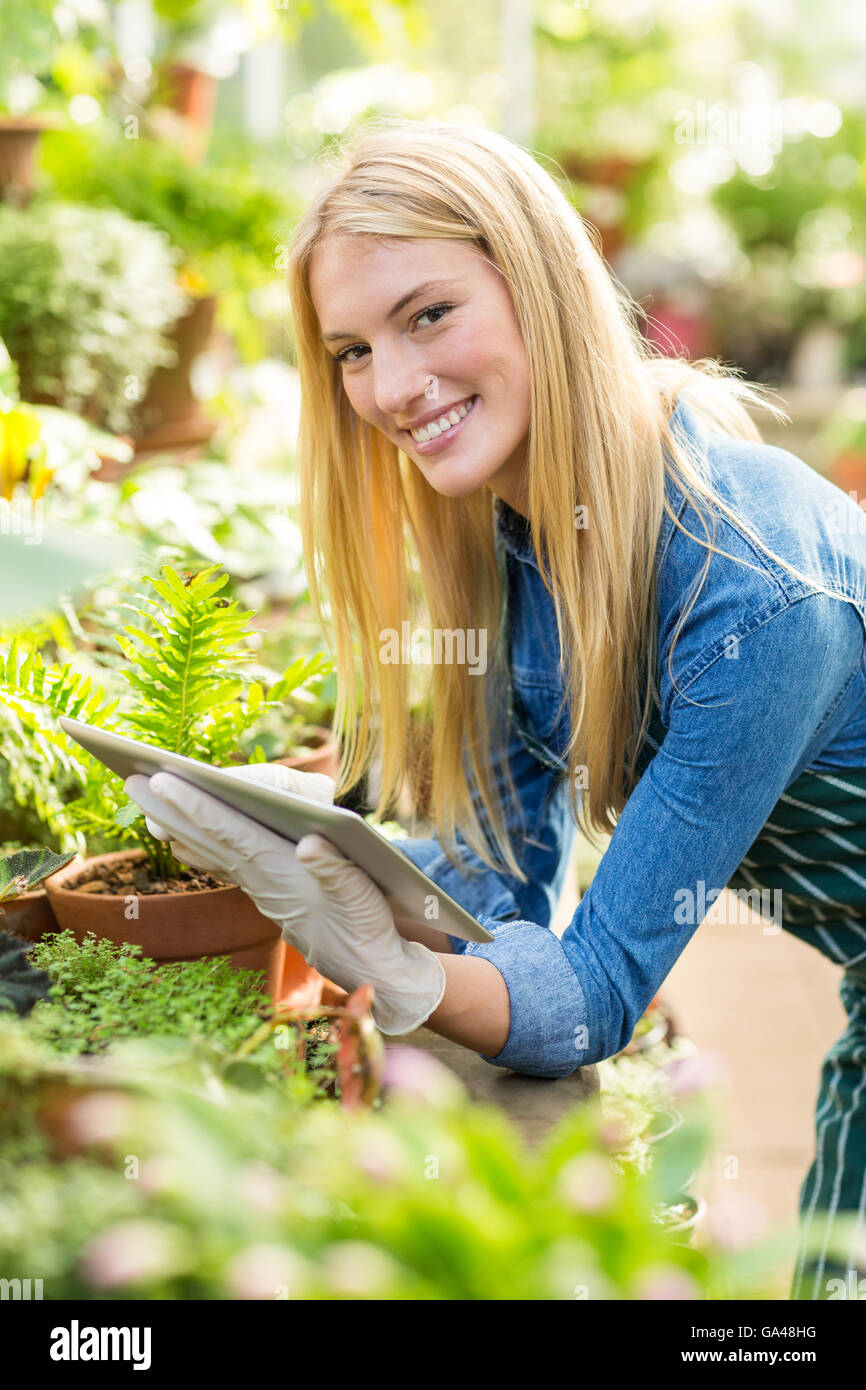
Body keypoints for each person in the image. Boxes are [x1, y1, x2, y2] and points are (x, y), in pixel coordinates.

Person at [125, 119, 866, 1301]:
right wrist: (334, 845)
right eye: (351, 350)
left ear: (541, 283)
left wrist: (389, 970)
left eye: (428, 315)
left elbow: (586, 1000)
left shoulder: (750, 587)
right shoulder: (516, 545)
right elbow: (498, 893)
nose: (392, 388)